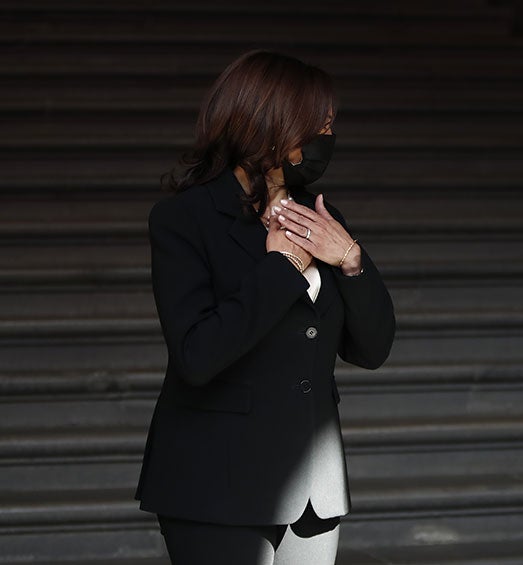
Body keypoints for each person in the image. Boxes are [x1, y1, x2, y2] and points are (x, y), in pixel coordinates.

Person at [135, 50, 395, 564]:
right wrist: (279, 271)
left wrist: (351, 261)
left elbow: (373, 348)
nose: (327, 136)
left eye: (330, 125)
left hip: (312, 489)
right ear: (272, 123)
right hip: (217, 482)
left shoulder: (320, 217)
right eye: (317, 124)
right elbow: (197, 355)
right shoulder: (183, 220)